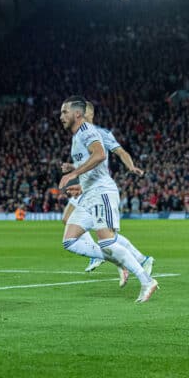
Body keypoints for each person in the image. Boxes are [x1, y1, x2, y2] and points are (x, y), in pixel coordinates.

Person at [58, 96, 158, 303]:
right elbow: (94, 165)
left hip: (102, 193)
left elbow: (100, 155)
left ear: (77, 114)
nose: (61, 117)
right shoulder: (77, 136)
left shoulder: (88, 132)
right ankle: (122, 261)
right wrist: (80, 181)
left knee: (108, 242)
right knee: (70, 240)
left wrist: (72, 174)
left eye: (64, 112)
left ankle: (146, 279)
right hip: (89, 193)